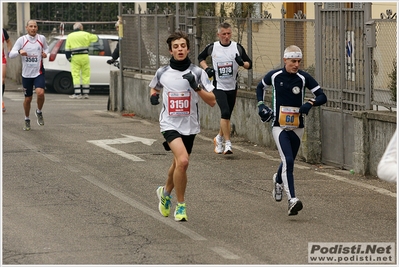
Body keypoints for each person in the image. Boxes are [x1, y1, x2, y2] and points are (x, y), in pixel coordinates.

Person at [150, 31, 216, 221]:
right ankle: (180, 205)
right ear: (171, 51)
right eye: (176, 47)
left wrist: (196, 87)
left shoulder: (197, 72)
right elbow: (154, 86)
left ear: (187, 49)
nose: (180, 49)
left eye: (183, 46)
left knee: (178, 163)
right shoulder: (162, 72)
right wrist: (153, 96)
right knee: (184, 161)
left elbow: (212, 101)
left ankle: (165, 193)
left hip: (189, 125)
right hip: (169, 123)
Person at [256, 45, 327, 216]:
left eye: (299, 61)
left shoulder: (303, 78)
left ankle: (278, 179)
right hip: (278, 126)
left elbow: (322, 96)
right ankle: (292, 199)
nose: (296, 65)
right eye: (293, 61)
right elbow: (260, 87)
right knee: (288, 159)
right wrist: (260, 105)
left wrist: (310, 103)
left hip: (297, 126)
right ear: (285, 60)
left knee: (289, 161)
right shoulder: (274, 76)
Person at [198, 22, 252, 155]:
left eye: (228, 34)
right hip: (218, 86)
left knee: (227, 116)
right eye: (224, 34)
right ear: (218, 35)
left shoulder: (237, 47)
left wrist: (242, 63)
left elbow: (249, 64)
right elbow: (200, 58)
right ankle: (228, 144)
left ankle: (219, 137)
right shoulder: (213, 47)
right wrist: (207, 68)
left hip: (232, 86)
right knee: (225, 112)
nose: (226, 37)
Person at [9, 20, 49, 131]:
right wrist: (19, 52)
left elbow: (46, 48)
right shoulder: (22, 40)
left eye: (35, 26)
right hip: (26, 74)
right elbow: (11, 54)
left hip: (38, 72)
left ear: (37, 28)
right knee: (28, 99)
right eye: (31, 26)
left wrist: (45, 53)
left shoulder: (41, 39)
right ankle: (27, 119)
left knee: (40, 93)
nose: (33, 28)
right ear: (27, 28)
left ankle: (39, 112)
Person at [65, 22, 98, 99]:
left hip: (75, 57)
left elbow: (67, 50)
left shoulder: (70, 36)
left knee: (76, 75)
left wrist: (69, 58)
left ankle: (77, 93)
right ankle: (86, 93)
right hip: (85, 56)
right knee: (86, 74)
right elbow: (96, 38)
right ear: (81, 28)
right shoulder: (86, 34)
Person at [2, 28, 13, 112]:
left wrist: (9, 51)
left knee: (2, 80)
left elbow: (8, 41)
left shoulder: (2, 31)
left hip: (1, 58)